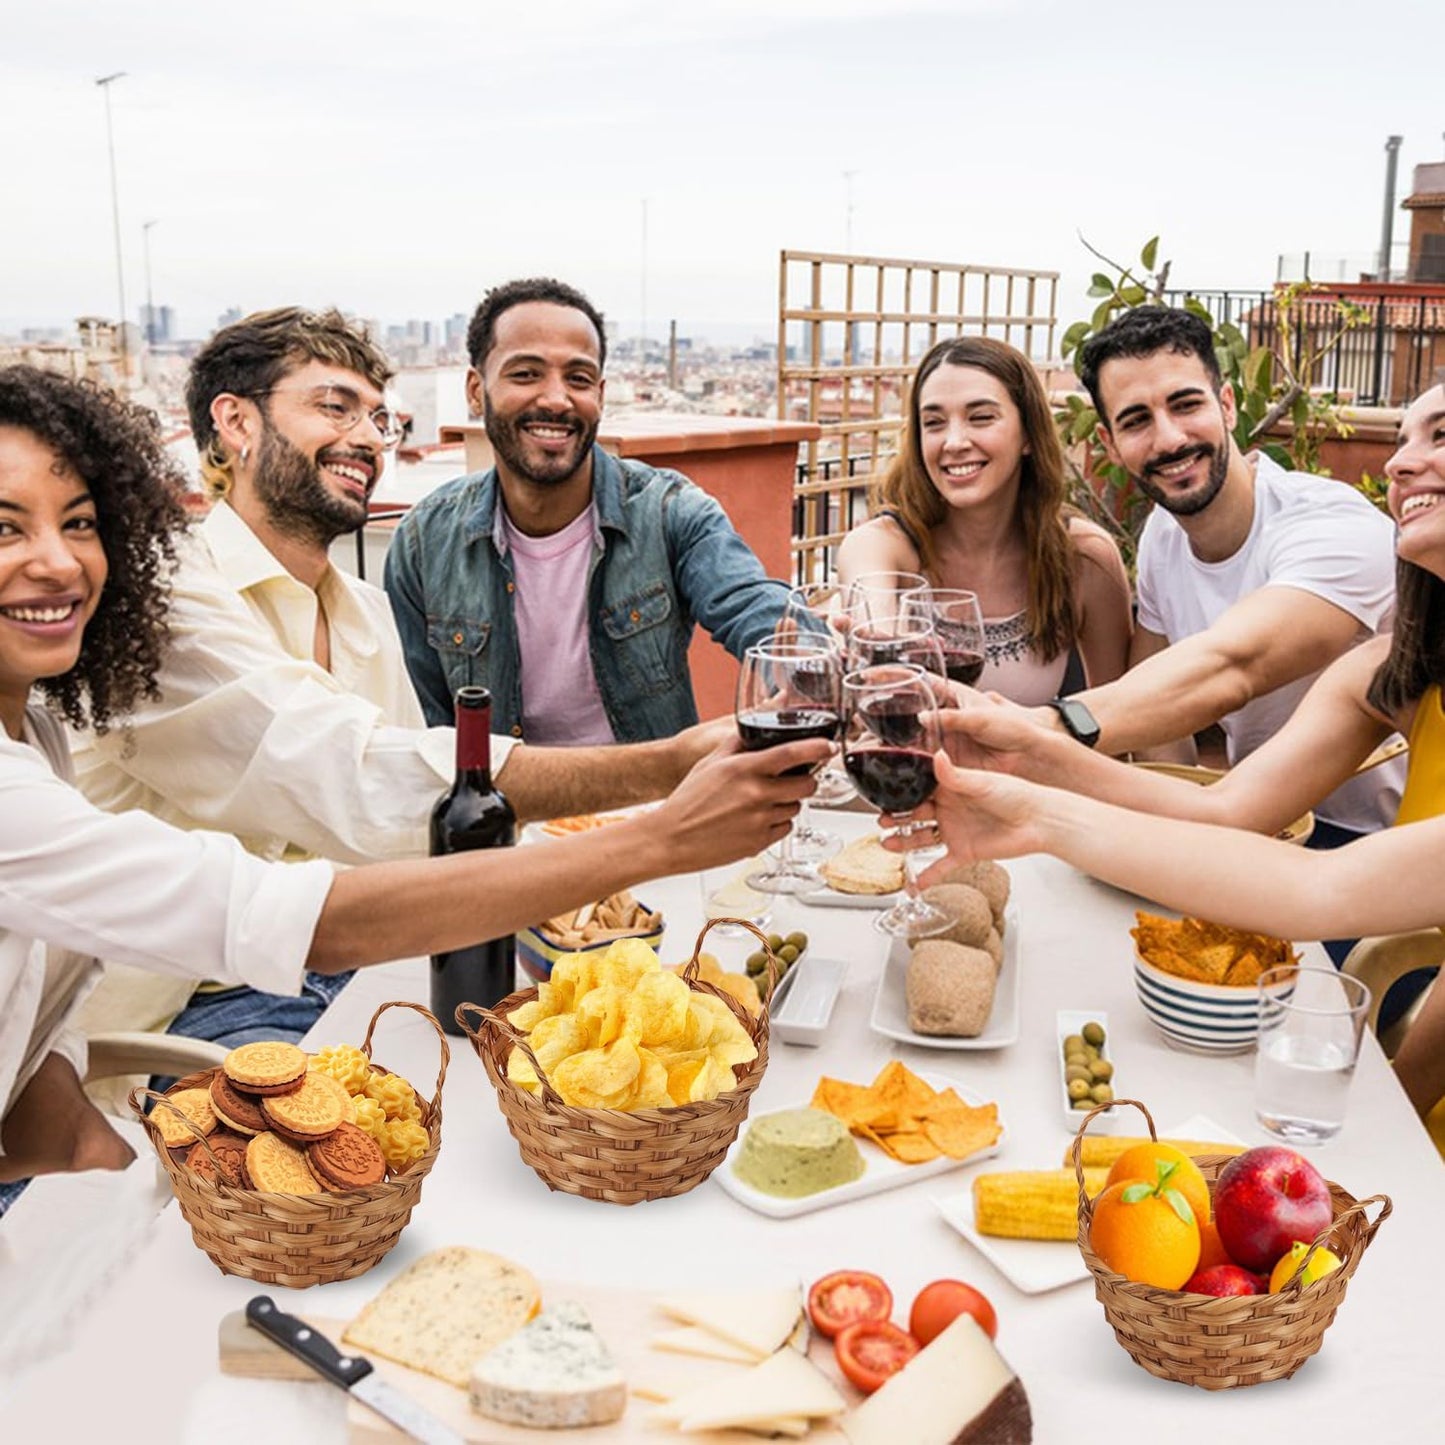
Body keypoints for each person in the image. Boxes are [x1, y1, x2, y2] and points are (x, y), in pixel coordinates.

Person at [0, 365, 825, 1212]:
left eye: (80, 523)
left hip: (303, 983)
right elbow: (330, 841)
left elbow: (410, 796)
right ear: (233, 422)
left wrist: (53, 1080)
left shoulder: (49, 718)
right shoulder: (173, 611)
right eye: (5, 527)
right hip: (219, 999)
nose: (57, 561)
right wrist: (662, 829)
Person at [69, 309, 732, 1054]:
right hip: (197, 1006)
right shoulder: (154, 596)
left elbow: (421, 837)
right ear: (236, 422)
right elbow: (358, 776)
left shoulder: (365, 612)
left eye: (377, 418)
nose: (365, 438)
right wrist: (672, 772)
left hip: (367, 967)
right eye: (334, 407)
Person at [918, 378, 1445, 1118]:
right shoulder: (1399, 668)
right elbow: (1228, 811)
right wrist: (1031, 760)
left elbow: (1318, 889)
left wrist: (1041, 799)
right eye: (1403, 439)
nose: (1399, 462)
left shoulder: (1327, 531)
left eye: (1440, 436)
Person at [1014, 304, 1403, 840]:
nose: (1169, 439)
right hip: (1261, 826)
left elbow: (1233, 666)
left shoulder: (1332, 525)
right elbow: (1159, 725)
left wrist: (1040, 728)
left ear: (1226, 405)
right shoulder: (1163, 536)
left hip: (1383, 838)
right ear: (1109, 444)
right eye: (1136, 420)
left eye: (1185, 405)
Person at [384, 277, 790, 743]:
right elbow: (428, 734)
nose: (556, 399)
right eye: (526, 374)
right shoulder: (424, 544)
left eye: (577, 379)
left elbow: (751, 605)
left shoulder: (668, 512)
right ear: (476, 390)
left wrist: (804, 660)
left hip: (659, 790)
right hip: (502, 793)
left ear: (599, 394)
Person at [837, 336, 1133, 703]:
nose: (954, 442)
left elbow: (1118, 715)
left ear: (1028, 434)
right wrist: (881, 647)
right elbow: (875, 620)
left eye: (980, 418)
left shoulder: (1084, 557)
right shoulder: (884, 544)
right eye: (934, 423)